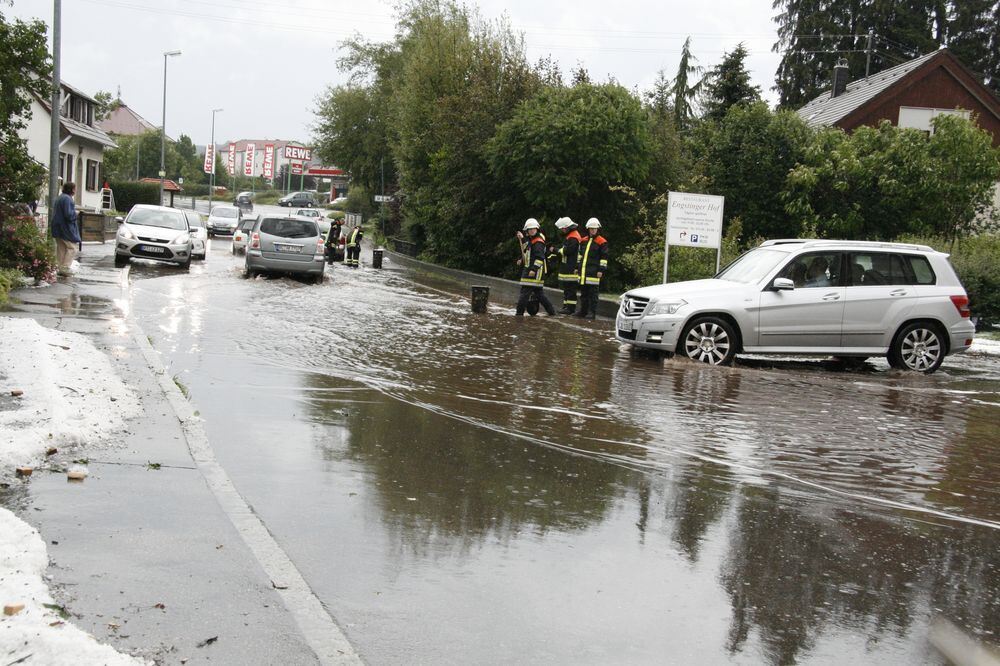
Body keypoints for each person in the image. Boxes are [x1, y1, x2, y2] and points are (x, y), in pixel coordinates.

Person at [515, 218, 556, 317]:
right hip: (532, 272)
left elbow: (540, 258)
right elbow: (527, 250)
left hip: (533, 273)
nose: (532, 230)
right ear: (527, 231)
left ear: (537, 229)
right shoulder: (531, 240)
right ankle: (552, 312)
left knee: (524, 294)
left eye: (533, 229)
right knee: (540, 295)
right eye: (530, 229)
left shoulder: (538, 242)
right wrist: (521, 259)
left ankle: (519, 314)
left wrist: (533, 269)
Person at [575, 218, 608, 319]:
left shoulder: (602, 242)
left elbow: (604, 257)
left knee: (593, 294)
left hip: (594, 272)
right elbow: (580, 256)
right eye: (591, 228)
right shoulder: (583, 240)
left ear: (598, 229)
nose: (593, 230)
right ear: (588, 229)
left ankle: (591, 313)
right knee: (584, 293)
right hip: (584, 273)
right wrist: (577, 267)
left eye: (595, 228)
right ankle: (583, 311)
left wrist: (601, 270)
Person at [554, 216, 583, 314]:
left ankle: (570, 309)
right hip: (568, 267)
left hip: (572, 267)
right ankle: (566, 307)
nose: (562, 230)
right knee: (567, 288)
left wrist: (557, 250)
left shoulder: (573, 237)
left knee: (571, 289)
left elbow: (567, 251)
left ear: (567, 227)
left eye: (563, 228)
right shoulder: (571, 235)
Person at [51, 182, 81, 277]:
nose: (75, 190)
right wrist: (75, 213)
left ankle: (60, 267)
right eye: (75, 189)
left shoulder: (60, 197)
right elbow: (68, 215)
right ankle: (66, 267)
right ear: (72, 189)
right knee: (72, 247)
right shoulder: (68, 199)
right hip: (65, 228)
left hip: (57, 226)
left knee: (61, 248)